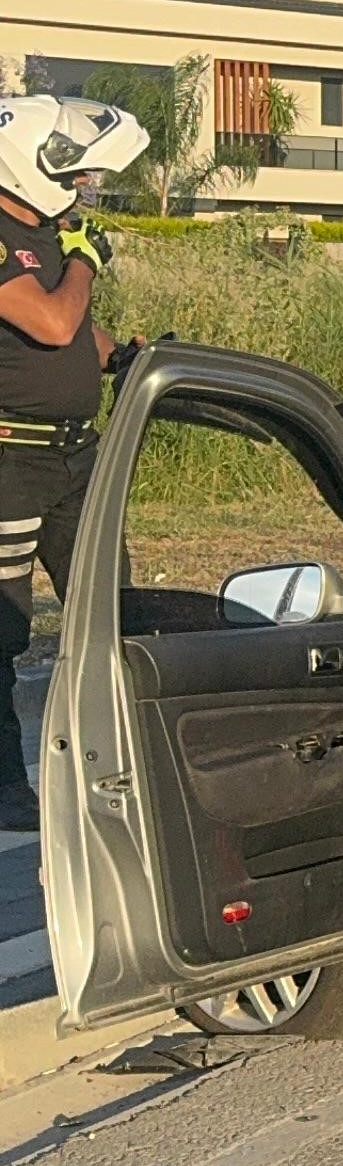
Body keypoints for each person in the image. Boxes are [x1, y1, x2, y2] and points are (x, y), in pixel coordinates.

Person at [0, 97, 149, 832]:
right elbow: (53, 321)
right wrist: (87, 259)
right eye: (77, 168)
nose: (87, 181)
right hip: (10, 459)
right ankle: (5, 791)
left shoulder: (45, 231)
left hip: (73, 454)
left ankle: (117, 767)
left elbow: (80, 331)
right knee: (4, 629)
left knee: (108, 608)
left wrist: (124, 356)